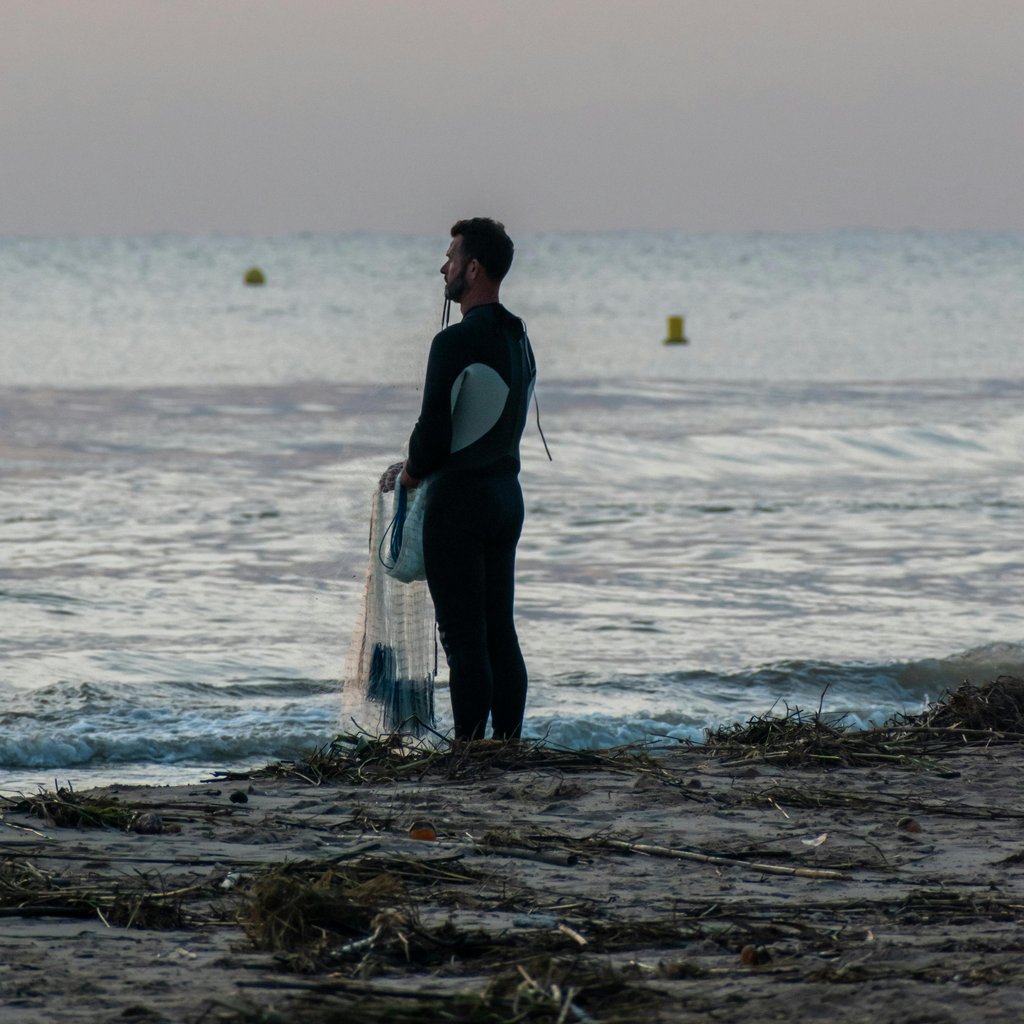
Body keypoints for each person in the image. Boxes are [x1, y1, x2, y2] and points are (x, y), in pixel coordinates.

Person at [395, 218, 536, 741]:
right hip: (506, 498)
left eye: (450, 257)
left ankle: (469, 751)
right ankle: (508, 745)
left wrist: (407, 475)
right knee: (500, 631)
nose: (443, 265)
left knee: (462, 638)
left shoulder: (453, 342)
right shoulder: (519, 336)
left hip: (460, 505)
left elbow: (433, 436)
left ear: (472, 269)